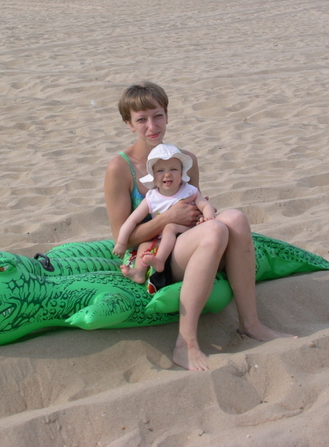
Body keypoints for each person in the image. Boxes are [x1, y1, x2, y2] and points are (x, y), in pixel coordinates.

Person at [104, 82, 294, 371]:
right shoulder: (120, 168)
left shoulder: (186, 160)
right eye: (141, 119)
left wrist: (203, 216)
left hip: (184, 242)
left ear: (167, 115)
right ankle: (186, 343)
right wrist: (166, 219)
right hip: (151, 255)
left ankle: (251, 324)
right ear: (129, 124)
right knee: (216, 230)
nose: (152, 126)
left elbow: (194, 207)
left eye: (157, 116)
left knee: (235, 219)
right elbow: (122, 238)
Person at [113, 143, 215, 285]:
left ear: (182, 172)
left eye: (173, 169)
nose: (167, 174)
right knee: (144, 245)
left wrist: (208, 218)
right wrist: (121, 242)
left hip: (186, 234)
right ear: (153, 176)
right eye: (160, 170)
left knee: (170, 227)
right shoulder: (151, 198)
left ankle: (159, 260)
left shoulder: (189, 191)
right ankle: (139, 272)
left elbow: (205, 205)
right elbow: (132, 220)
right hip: (163, 241)